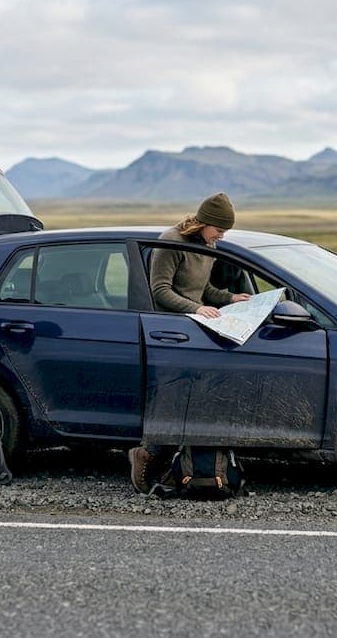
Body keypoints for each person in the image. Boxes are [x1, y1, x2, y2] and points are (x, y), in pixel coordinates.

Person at [129, 192, 252, 493]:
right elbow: (160, 290)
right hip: (170, 331)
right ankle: (147, 454)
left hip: (195, 326)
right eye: (220, 229)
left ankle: (176, 459)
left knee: (195, 397)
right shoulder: (171, 243)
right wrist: (194, 308)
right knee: (176, 398)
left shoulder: (207, 245)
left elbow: (203, 289)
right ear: (205, 222)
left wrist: (231, 298)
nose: (222, 236)